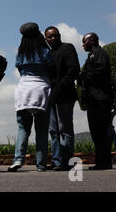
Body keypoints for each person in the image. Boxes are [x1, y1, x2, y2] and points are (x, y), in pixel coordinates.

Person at [9, 22, 54, 173]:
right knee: (41, 130)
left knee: (23, 128)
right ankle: (41, 165)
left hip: (23, 90)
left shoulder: (21, 53)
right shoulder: (45, 52)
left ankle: (18, 159)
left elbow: (20, 69)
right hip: (42, 89)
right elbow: (51, 69)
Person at [44, 26, 80, 171]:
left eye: (55, 35)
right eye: (50, 37)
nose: (53, 39)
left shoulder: (67, 48)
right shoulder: (48, 53)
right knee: (53, 131)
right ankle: (57, 161)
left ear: (59, 35)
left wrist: (59, 87)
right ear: (46, 39)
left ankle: (68, 161)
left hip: (65, 94)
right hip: (51, 97)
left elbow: (74, 69)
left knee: (65, 129)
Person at [80, 32, 113, 170]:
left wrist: (85, 75)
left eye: (85, 42)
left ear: (92, 41)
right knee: (96, 132)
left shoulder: (100, 54)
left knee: (101, 131)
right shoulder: (91, 56)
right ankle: (101, 161)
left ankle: (104, 162)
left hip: (100, 99)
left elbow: (101, 71)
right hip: (93, 99)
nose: (83, 45)